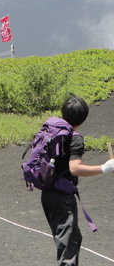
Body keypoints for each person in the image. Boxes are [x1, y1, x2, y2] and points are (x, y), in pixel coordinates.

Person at [41, 95, 114, 265]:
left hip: (48, 193)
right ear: (84, 117)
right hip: (62, 197)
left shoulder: (53, 130)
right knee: (68, 248)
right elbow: (74, 168)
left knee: (72, 238)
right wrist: (105, 168)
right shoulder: (74, 137)